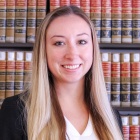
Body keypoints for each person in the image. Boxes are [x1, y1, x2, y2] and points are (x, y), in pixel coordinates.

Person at [0, 5, 123, 140]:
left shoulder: (111, 117)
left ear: (93, 48)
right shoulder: (16, 111)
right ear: (44, 51)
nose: (72, 54)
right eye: (59, 43)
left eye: (81, 41)